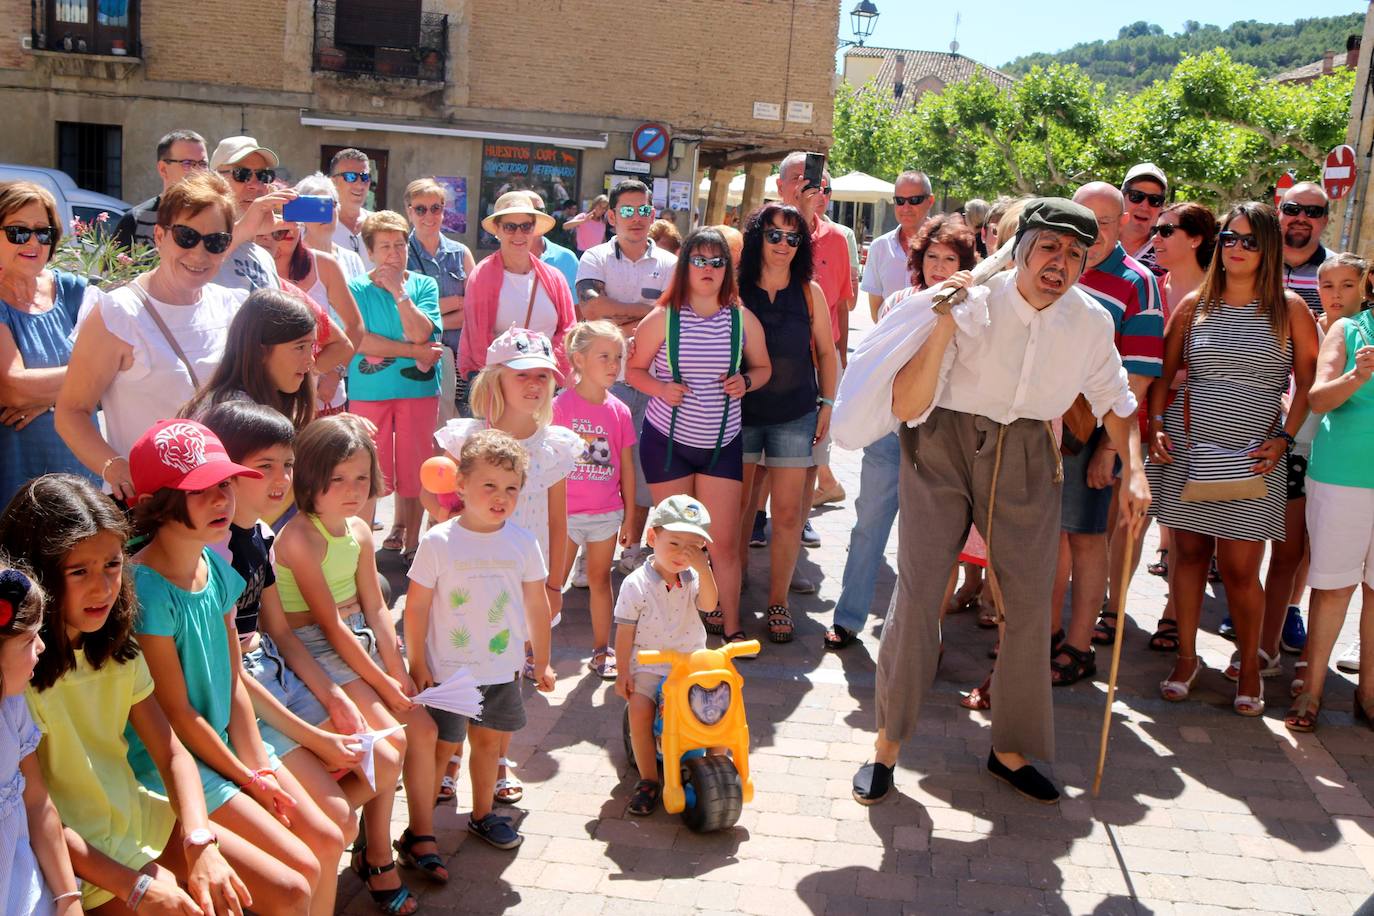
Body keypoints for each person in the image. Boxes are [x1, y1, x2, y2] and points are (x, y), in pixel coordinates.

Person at [841, 198, 1149, 805]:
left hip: (1032, 449)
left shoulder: (1090, 321)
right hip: (944, 440)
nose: (1059, 263)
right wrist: (944, 326)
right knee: (920, 590)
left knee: (1032, 605)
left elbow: (1117, 401)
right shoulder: (972, 300)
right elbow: (907, 407)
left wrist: (1134, 471)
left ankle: (1009, 751)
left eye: (1073, 254)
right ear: (1021, 249)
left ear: (1085, 263)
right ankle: (886, 746)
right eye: (1048, 248)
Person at [125, 419, 345, 914]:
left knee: (327, 841)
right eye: (201, 490)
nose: (222, 499)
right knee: (297, 880)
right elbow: (178, 715)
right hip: (172, 766)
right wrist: (249, 777)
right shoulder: (146, 593)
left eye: (224, 483)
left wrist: (260, 766)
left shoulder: (217, 568)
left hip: (223, 752)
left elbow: (235, 687)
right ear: (158, 502)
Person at [2, 475, 251, 914]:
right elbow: (39, 813)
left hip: (134, 820)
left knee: (287, 889)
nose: (102, 587)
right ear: (38, 572)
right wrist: (138, 888)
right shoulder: (19, 676)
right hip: (74, 861)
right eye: (79, 571)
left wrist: (199, 841)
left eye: (113, 565)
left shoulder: (117, 647)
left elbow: (172, 753)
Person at [1146, 202, 1318, 717]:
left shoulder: (1289, 309)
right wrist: (1156, 426)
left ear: (1268, 247)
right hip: (1190, 447)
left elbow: (1307, 384)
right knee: (1189, 555)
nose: (1237, 248)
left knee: (1242, 569)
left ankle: (1247, 666)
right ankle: (1186, 657)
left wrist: (1284, 438)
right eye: (1229, 239)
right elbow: (1164, 376)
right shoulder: (1194, 305)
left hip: (1252, 453)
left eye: (1249, 240)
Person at [272, 415, 441, 912]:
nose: (352, 490)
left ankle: (414, 836)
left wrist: (399, 669)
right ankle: (376, 852)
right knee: (390, 739)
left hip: (359, 642)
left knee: (424, 730)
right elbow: (329, 628)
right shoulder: (300, 538)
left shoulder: (362, 531)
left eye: (362, 478)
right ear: (309, 480)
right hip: (317, 648)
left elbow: (375, 610)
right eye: (337, 479)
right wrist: (385, 686)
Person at [199, 402, 378, 823]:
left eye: (288, 465)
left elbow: (279, 631)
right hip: (243, 693)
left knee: (381, 761)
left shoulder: (263, 535)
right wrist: (316, 735)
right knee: (335, 822)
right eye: (265, 466)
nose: (281, 480)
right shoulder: (211, 554)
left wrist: (334, 697)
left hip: (275, 670)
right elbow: (230, 673)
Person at [429, 328, 581, 803]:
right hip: (464, 578)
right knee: (455, 664)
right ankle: (450, 756)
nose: (534, 385)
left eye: (543, 375)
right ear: (497, 380)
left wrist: (554, 583)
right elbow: (438, 504)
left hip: (521, 580)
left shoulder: (554, 445)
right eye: (522, 376)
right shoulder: (466, 439)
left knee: (507, 670)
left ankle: (495, 761)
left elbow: (559, 520)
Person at [827, 213, 976, 651]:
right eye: (933, 256)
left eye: (951, 258)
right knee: (869, 526)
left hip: (943, 437)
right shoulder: (897, 303)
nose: (940, 266)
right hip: (890, 435)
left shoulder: (976, 309)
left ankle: (924, 633)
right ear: (919, 258)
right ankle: (848, 618)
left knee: (930, 540)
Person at [404, 429, 556, 849]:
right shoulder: (438, 541)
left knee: (488, 743)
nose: (500, 496)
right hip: (447, 671)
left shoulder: (523, 542)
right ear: (461, 484)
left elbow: (537, 605)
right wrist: (417, 664)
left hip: (501, 668)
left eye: (511, 488)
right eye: (489, 484)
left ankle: (483, 814)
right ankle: (420, 830)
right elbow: (414, 608)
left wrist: (541, 660)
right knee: (442, 746)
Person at [56, 171, 247, 503]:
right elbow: (71, 412)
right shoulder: (118, 313)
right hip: (150, 504)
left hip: (220, 500)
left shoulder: (231, 305)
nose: (199, 254)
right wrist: (117, 469)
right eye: (186, 236)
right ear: (159, 236)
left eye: (215, 241)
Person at [627, 227, 771, 644]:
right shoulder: (663, 317)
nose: (708, 270)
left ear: (728, 270)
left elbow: (763, 369)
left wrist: (746, 381)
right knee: (675, 542)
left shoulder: (741, 318)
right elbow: (633, 371)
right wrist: (659, 387)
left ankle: (730, 626)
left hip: (721, 445)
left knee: (723, 544)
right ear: (685, 265)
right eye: (699, 261)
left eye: (717, 262)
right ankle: (669, 627)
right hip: (667, 444)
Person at [1049, 182, 1163, 686]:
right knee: (1047, 540)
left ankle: (1077, 646)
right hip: (1040, 429)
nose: (1090, 231)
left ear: (1123, 226)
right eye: (1082, 217)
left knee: (1088, 539)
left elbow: (1136, 376)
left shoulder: (1138, 282)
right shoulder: (1053, 261)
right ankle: (1044, 635)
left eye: (1104, 222)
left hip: (1090, 435)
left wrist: (1111, 450)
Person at [1115, 202, 1218, 653]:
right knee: (1128, 519)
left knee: (1184, 528)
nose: (1154, 236)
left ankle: (1173, 615)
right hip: (1144, 417)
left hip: (1199, 423)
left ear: (1195, 238)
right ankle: (1111, 609)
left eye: (1167, 229)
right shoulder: (1149, 286)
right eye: (1154, 229)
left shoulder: (1220, 295)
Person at [735, 203, 837, 643]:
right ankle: (729, 590)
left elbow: (827, 352)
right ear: (758, 237)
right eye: (774, 235)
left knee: (790, 514)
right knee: (736, 511)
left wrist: (828, 403)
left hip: (795, 414)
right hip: (739, 414)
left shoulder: (809, 291)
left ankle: (778, 600)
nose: (782, 245)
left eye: (793, 238)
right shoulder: (735, 288)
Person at [576, 179, 678, 573]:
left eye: (643, 211)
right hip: (603, 383)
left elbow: (672, 318)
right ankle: (590, 551)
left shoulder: (671, 265)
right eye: (628, 211)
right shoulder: (594, 258)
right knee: (597, 467)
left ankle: (632, 547)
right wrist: (647, 313)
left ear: (652, 215)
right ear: (613, 216)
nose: (636, 219)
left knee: (641, 471)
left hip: (652, 382)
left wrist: (617, 314)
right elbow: (591, 309)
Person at [1289, 257, 1374, 731]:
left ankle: (1369, 696)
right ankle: (1312, 692)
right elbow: (1317, 398)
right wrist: (1357, 377)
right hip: (1343, 477)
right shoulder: (1347, 332)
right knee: (1334, 586)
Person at [614, 494, 719, 816]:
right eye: (673, 543)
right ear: (652, 537)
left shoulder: (694, 577)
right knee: (641, 710)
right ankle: (648, 779)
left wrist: (705, 568)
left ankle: (717, 765)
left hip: (691, 662)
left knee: (718, 707)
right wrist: (622, 672)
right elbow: (625, 631)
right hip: (651, 664)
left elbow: (710, 606)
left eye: (692, 546)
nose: (681, 554)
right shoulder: (637, 584)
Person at [346, 209, 443, 559]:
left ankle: (414, 543)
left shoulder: (423, 285)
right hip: (369, 392)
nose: (394, 253)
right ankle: (361, 551)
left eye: (400, 245)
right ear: (369, 252)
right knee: (366, 467)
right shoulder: (354, 289)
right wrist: (411, 351)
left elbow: (423, 332)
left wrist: (399, 293)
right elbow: (359, 342)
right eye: (385, 246)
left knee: (416, 465)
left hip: (418, 391)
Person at [0, 181, 101, 504]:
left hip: (80, 477)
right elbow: (13, 386)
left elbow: (121, 367)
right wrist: (83, 385)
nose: (32, 242)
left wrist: (51, 400)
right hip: (15, 483)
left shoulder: (74, 290)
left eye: (43, 232)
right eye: (18, 232)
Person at [552, 321, 637, 678]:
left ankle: (603, 651)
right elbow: (549, 464)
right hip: (565, 516)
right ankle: (532, 651)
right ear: (579, 359)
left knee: (601, 582)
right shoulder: (559, 407)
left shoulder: (620, 410)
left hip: (606, 514)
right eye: (604, 356)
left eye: (618, 356)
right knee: (552, 584)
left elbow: (628, 469)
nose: (614, 364)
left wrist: (631, 516)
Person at [0, 562, 81, 915]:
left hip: (29, 892)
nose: (42, 647)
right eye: (29, 639)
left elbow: (35, 801)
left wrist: (68, 899)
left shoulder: (12, 707)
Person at [776, 152, 852, 514]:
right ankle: (759, 516)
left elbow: (840, 304)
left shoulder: (838, 239)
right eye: (796, 178)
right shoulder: (764, 232)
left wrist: (841, 357)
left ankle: (804, 512)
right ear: (779, 186)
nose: (805, 185)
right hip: (773, 357)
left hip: (819, 359)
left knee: (814, 446)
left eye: (813, 179)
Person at [180, 287, 347, 431]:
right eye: (299, 347)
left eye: (311, 347)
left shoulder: (271, 399)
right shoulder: (234, 416)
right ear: (260, 352)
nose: (310, 360)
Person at [459, 191, 575, 382]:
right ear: (497, 229)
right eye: (510, 227)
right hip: (498, 386)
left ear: (534, 228)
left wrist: (548, 372)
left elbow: (568, 330)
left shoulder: (555, 278)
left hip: (547, 384)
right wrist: (504, 381)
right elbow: (478, 340)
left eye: (526, 226)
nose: (519, 234)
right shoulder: (481, 277)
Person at [261, 214, 364, 417]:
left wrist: (333, 373)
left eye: (293, 218)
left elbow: (355, 326)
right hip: (271, 400)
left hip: (323, 398)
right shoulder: (254, 269)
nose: (289, 227)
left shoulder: (324, 264)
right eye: (278, 218)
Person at [405, 177, 477, 419]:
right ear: (409, 211)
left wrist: (427, 318)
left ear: (444, 211)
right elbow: (400, 315)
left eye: (436, 208)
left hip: (459, 361)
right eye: (421, 209)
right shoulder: (400, 254)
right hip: (417, 360)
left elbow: (475, 311)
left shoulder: (460, 253)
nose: (429, 215)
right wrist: (455, 302)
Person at [209, 135, 291, 293]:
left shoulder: (264, 256)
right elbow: (207, 256)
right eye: (242, 174)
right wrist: (248, 227)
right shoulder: (197, 240)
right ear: (214, 180)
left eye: (262, 176)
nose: (255, 185)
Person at [112, 129, 208, 250]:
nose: (198, 171)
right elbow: (114, 268)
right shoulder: (137, 219)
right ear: (163, 169)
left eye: (203, 164)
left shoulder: (214, 218)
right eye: (187, 163)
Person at [861, 171, 933, 322]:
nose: (906, 207)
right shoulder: (879, 247)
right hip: (891, 341)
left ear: (930, 201)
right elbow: (877, 313)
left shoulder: (947, 247)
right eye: (900, 200)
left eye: (914, 200)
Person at [295, 172, 369, 281]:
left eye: (329, 204)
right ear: (303, 213)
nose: (325, 212)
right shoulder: (292, 258)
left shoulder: (352, 260)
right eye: (317, 206)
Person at [1279, 182, 1334, 318]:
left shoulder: (1339, 272)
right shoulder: (1253, 263)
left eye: (1313, 212)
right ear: (1278, 213)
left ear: (1325, 220)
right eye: (1292, 209)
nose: (1301, 218)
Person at [519, 191, 580, 294]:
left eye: (539, 211)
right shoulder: (490, 267)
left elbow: (577, 308)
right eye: (524, 213)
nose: (534, 218)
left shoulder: (566, 259)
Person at [1119, 162, 1168, 276]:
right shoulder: (1097, 240)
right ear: (1121, 197)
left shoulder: (1167, 254)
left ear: (1162, 206)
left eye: (1154, 200)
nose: (1145, 206)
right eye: (1136, 196)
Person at [330, 149, 375, 269]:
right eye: (351, 177)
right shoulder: (318, 226)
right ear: (333, 182)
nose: (360, 185)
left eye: (365, 177)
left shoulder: (378, 224)